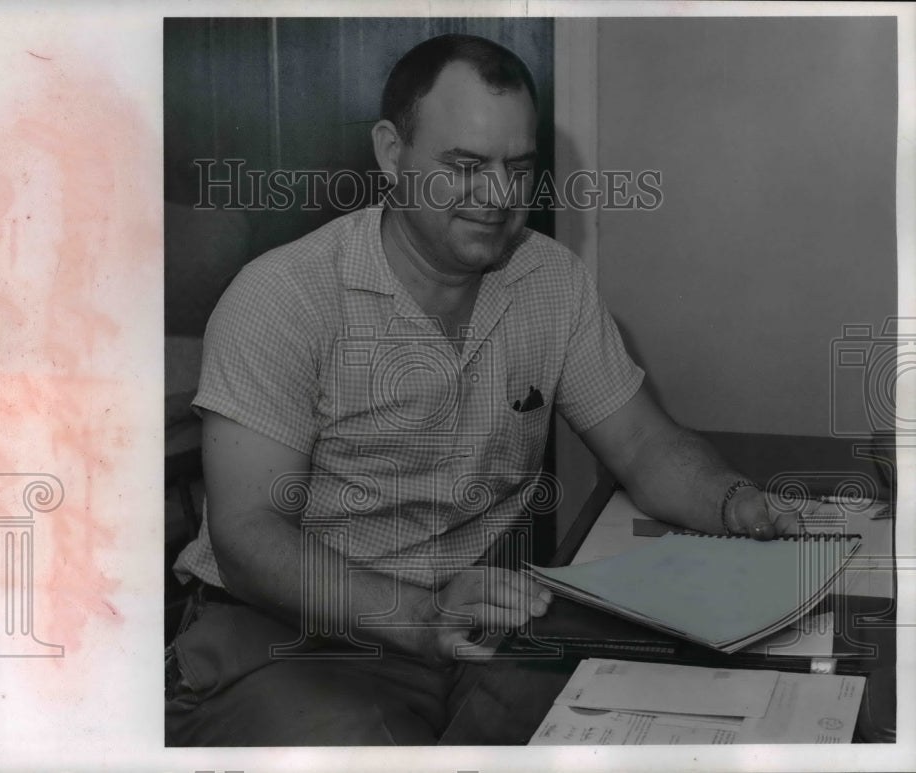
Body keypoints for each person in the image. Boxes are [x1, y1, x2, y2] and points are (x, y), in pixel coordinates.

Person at [165, 33, 795, 746]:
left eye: (517, 167)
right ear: (391, 152)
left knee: (641, 717)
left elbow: (644, 445)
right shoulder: (283, 298)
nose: (498, 197)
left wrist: (736, 502)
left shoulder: (550, 280)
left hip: (472, 626)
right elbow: (248, 537)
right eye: (464, 166)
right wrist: (418, 616)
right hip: (288, 636)